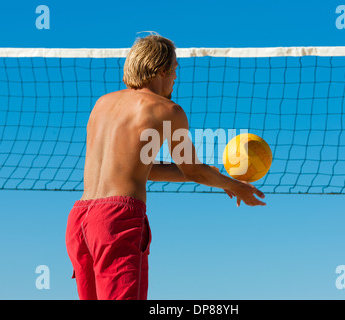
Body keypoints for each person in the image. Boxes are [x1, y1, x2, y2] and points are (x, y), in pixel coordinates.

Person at [65, 34, 266, 300]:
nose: (175, 78)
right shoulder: (167, 110)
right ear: (161, 70)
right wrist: (234, 185)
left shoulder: (101, 104)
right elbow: (193, 170)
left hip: (80, 220)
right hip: (116, 220)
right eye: (175, 69)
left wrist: (213, 175)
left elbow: (145, 168)